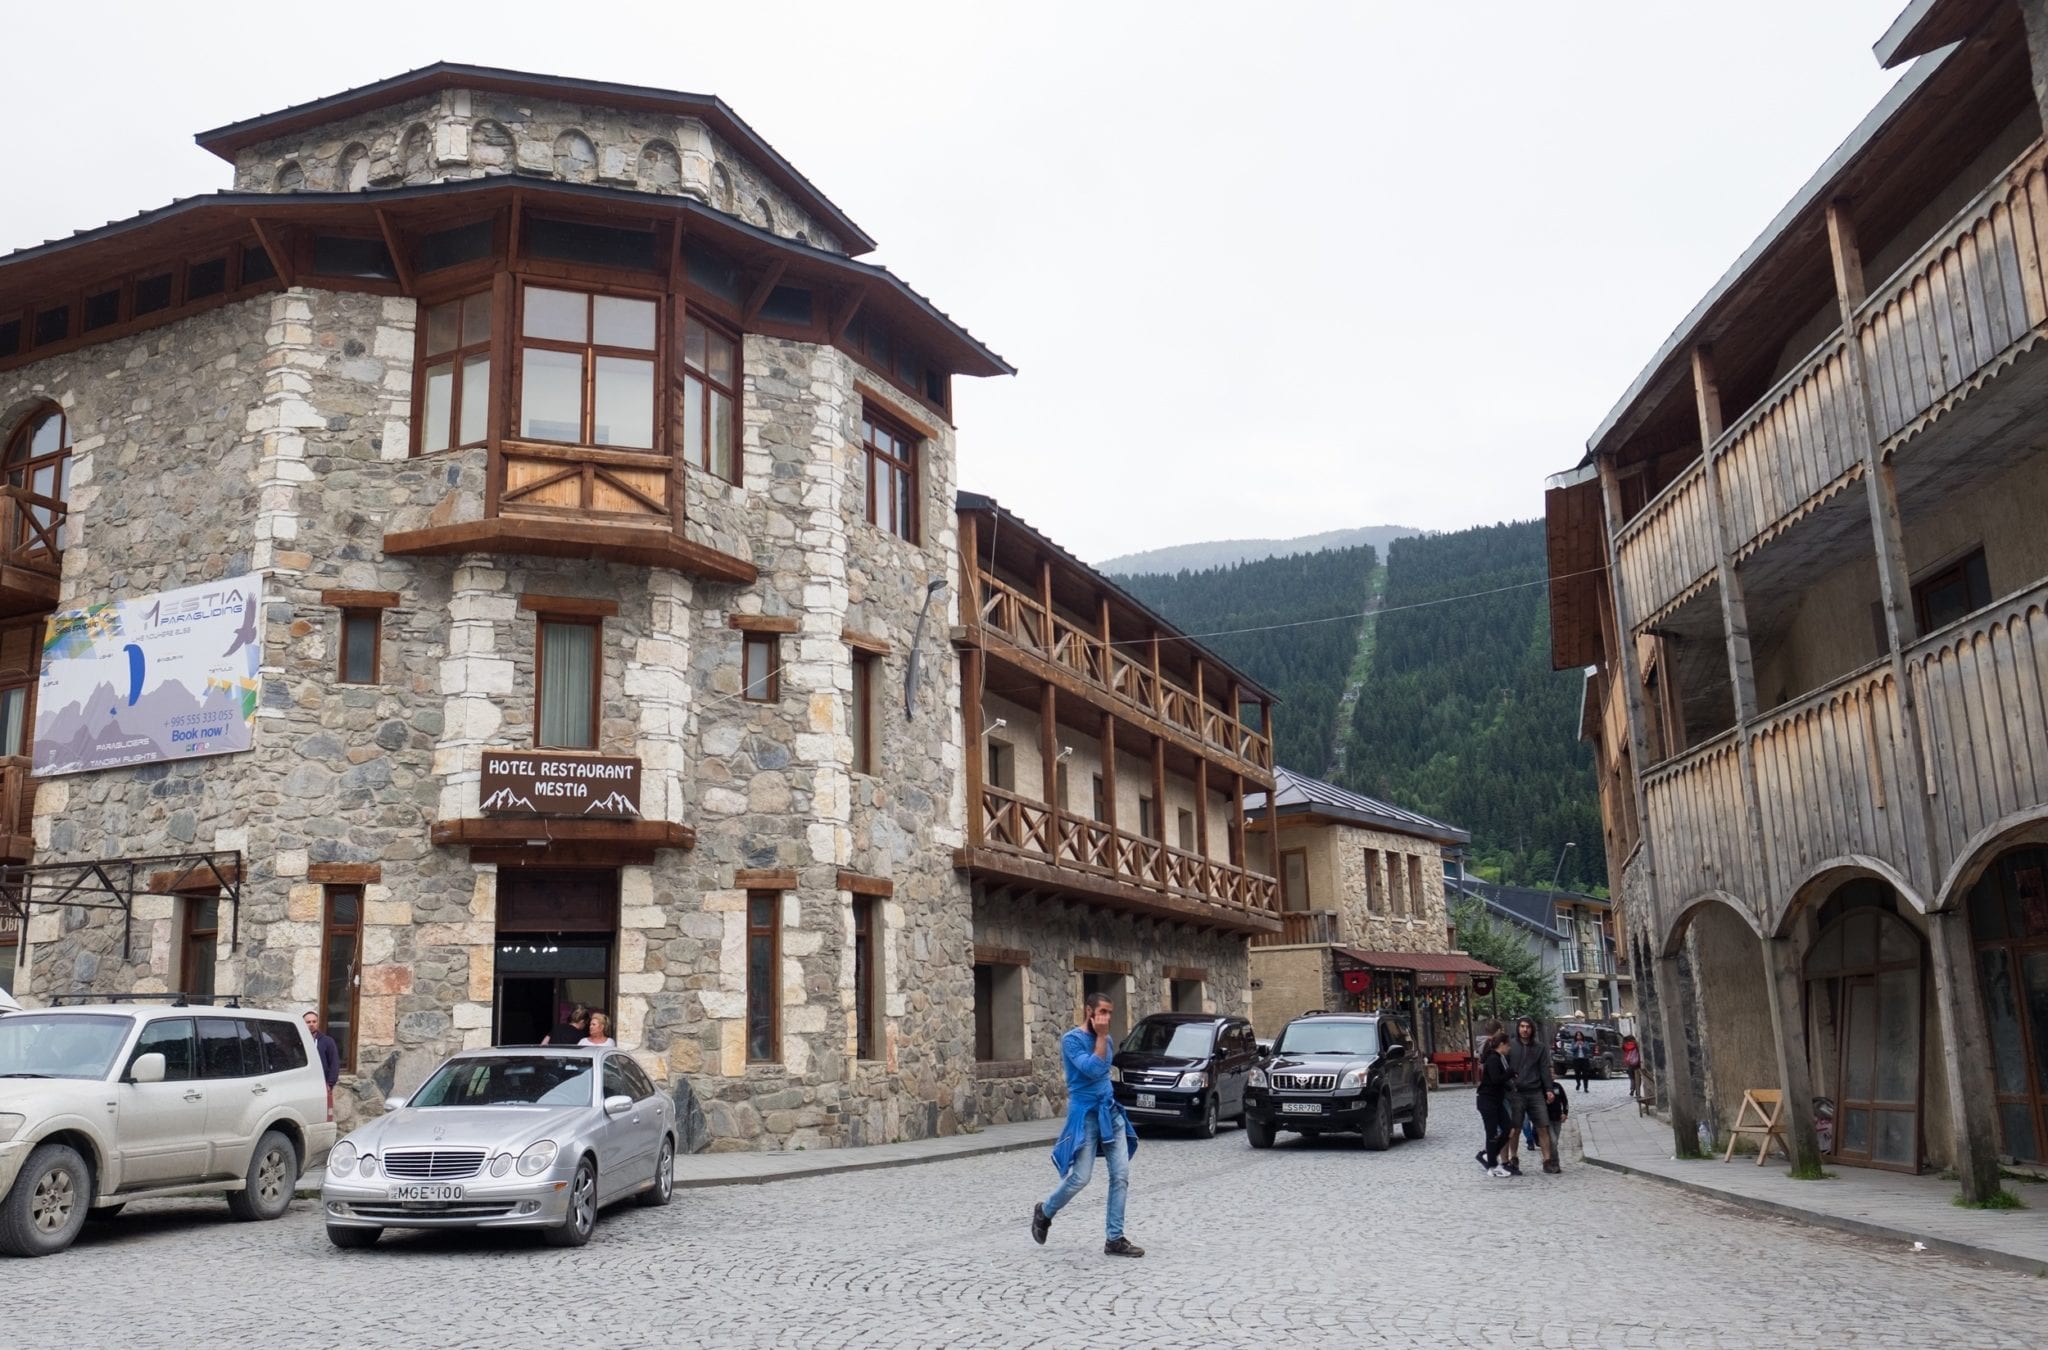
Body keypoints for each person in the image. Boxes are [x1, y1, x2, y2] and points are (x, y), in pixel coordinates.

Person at [1031, 992, 1143, 1257]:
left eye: (1109, 1013)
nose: (1106, 1018)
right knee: (1081, 1178)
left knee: (1121, 1176)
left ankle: (1114, 1239)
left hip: (1110, 1113)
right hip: (1085, 1117)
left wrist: (1104, 1037)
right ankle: (1044, 1211)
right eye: (1102, 1012)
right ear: (1089, 1011)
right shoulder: (1071, 1041)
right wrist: (1102, 1037)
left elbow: (1103, 1068)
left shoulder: (1108, 1040)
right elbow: (1092, 1069)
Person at [1507, 1016, 1561, 1174]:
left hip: (1535, 1091)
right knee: (1515, 1127)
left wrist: (1549, 1089)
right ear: (1518, 1028)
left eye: (1528, 1027)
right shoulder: (1511, 1045)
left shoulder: (1539, 1047)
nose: (1525, 1030)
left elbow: (1544, 1070)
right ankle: (1514, 1157)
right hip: (1516, 1092)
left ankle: (1547, 1160)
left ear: (1532, 1029)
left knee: (1542, 1126)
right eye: (1522, 1026)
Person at [1474, 1029, 1516, 1177]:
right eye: (1508, 1045)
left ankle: (1488, 1155)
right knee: (1492, 1133)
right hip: (1487, 1100)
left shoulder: (1499, 1058)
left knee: (1508, 1129)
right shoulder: (1493, 1059)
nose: (1509, 1048)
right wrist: (1509, 1074)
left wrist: (1509, 1085)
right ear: (1502, 1044)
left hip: (1497, 1100)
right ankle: (1492, 1165)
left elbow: (1500, 1082)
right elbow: (1496, 1079)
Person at [304, 1011, 340, 1110]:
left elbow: (334, 1063)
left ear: (318, 1023)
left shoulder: (328, 1041)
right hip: (304, 1084)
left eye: (314, 1021)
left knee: (322, 1111)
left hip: (322, 1084)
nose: (311, 1024)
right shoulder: (299, 1041)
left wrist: (330, 1084)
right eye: (308, 1022)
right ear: (303, 1023)